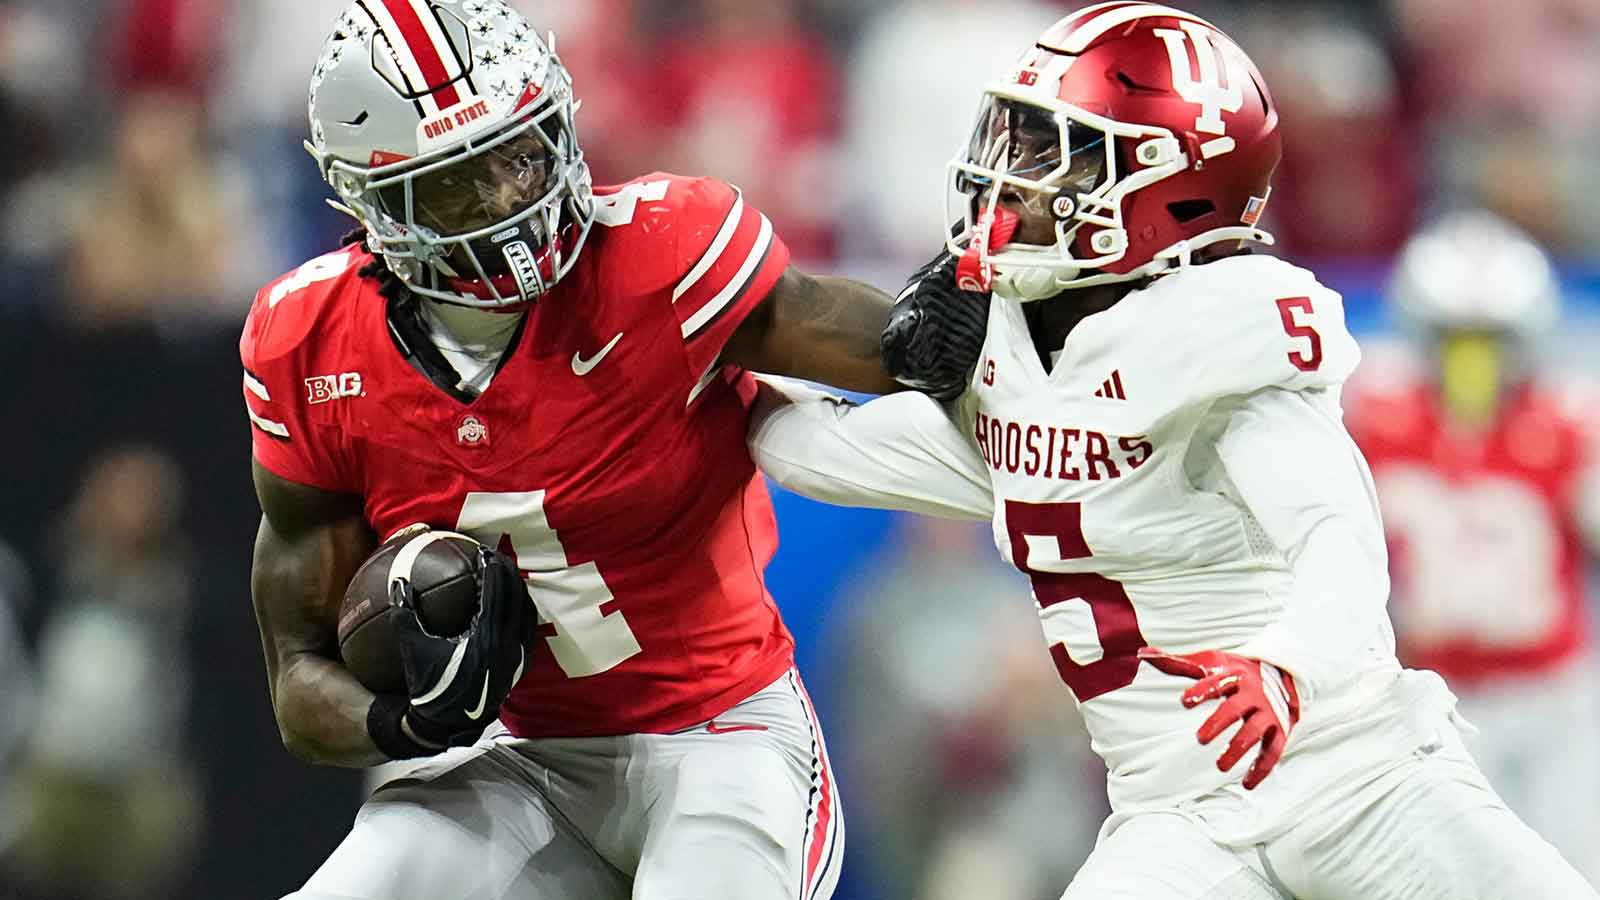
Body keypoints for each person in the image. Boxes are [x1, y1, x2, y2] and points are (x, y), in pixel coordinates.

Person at [752, 4, 1600, 898]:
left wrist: (1284, 667)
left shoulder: (1220, 334)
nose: (1012, 179)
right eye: (1016, 142)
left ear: (1168, 185)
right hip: (1177, 811)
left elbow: (1337, 539)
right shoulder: (1004, 358)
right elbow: (824, 451)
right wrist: (688, 359)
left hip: (1356, 776)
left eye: (1055, 152)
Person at [242, 2, 899, 897]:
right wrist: (407, 722)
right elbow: (299, 687)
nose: (511, 198)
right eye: (457, 181)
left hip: (725, 733)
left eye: (518, 153)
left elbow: (894, 345)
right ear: (375, 203)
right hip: (519, 759)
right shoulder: (308, 341)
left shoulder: (662, 252)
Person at [1346, 210, 1600, 884]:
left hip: (1554, 697)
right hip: (1430, 697)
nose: (1472, 361)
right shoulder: (1378, 413)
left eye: (1490, 341)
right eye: (1454, 340)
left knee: (1574, 872)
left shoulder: (1568, 421)